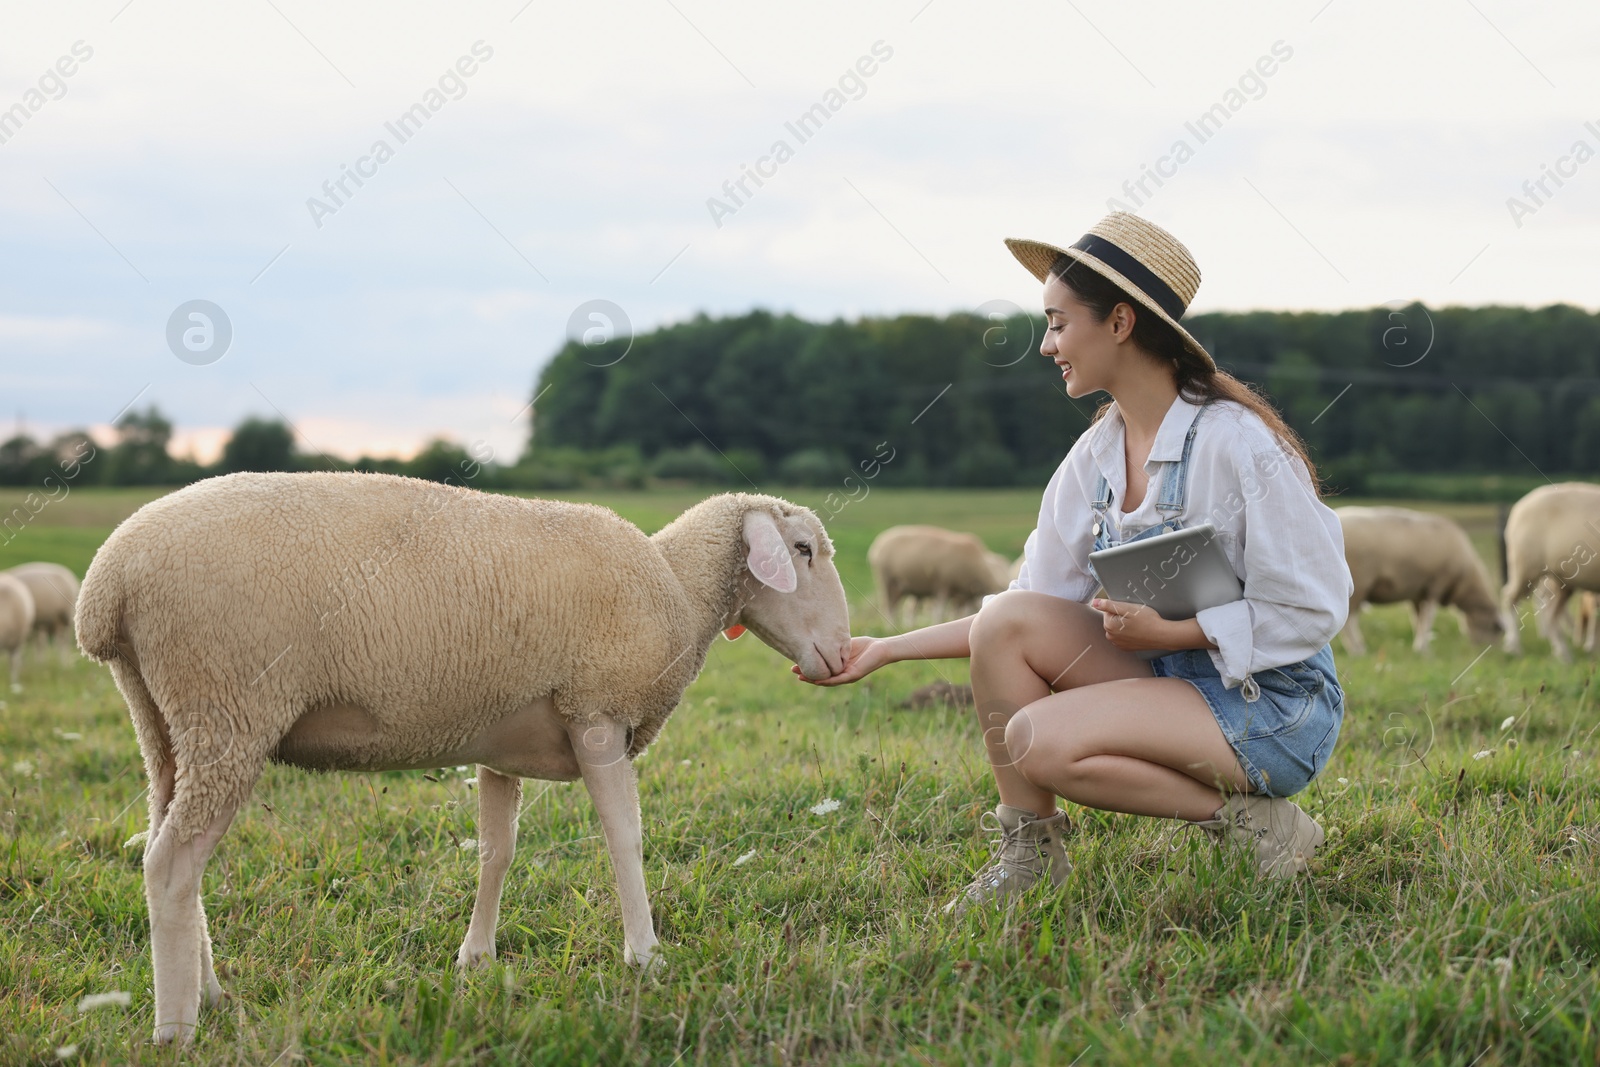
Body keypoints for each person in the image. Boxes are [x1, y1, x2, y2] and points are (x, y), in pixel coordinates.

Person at [798, 211, 1354, 913]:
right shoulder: (1093, 456)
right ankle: (1030, 856)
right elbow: (1024, 606)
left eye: (1059, 323)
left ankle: (1256, 824)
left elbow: (1313, 607)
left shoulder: (1236, 444)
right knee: (1007, 621)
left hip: (1272, 705)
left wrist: (1173, 633)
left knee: (1038, 740)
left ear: (1119, 322)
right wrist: (886, 650)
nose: (1046, 344)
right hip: (1173, 684)